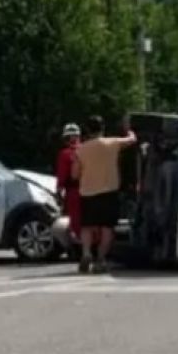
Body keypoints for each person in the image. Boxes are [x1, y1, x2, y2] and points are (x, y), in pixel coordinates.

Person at [71, 115, 136, 273]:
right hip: (109, 192)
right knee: (107, 228)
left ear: (87, 130)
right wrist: (129, 129)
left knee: (87, 226)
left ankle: (86, 253)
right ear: (102, 128)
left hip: (87, 192)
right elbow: (132, 140)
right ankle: (101, 259)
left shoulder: (81, 149)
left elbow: (74, 174)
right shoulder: (112, 143)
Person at [54, 123, 82, 248]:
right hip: (90, 190)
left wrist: (59, 190)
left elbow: (62, 174)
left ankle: (78, 245)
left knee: (75, 220)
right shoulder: (87, 150)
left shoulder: (65, 154)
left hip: (73, 192)